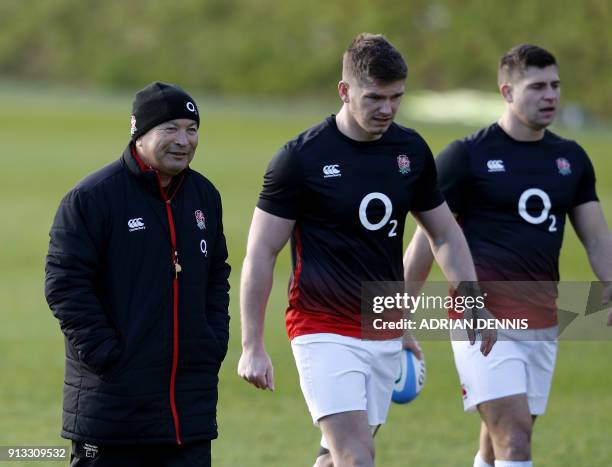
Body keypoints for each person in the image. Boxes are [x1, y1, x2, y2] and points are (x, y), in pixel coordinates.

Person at [237, 33, 495, 467]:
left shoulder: (410, 152)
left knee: (338, 456)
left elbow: (445, 234)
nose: (387, 109)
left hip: (382, 326)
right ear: (345, 91)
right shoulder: (300, 159)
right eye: (375, 97)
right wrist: (252, 344)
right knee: (356, 456)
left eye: (396, 98)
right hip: (320, 328)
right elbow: (261, 251)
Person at [404, 44, 612, 467]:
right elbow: (427, 239)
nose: (550, 95)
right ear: (507, 92)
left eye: (555, 85)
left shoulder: (570, 159)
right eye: (536, 86)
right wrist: (397, 314)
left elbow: (595, 236)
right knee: (514, 439)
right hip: (481, 320)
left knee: (497, 442)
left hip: (542, 320)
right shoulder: (467, 157)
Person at [45, 82, 230, 467]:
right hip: (112, 411)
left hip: (188, 412)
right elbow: (65, 284)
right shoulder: (92, 198)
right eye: (170, 129)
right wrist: (109, 356)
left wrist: (212, 339)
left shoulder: (205, 197)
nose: (184, 140)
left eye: (191, 129)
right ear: (139, 133)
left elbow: (217, 275)